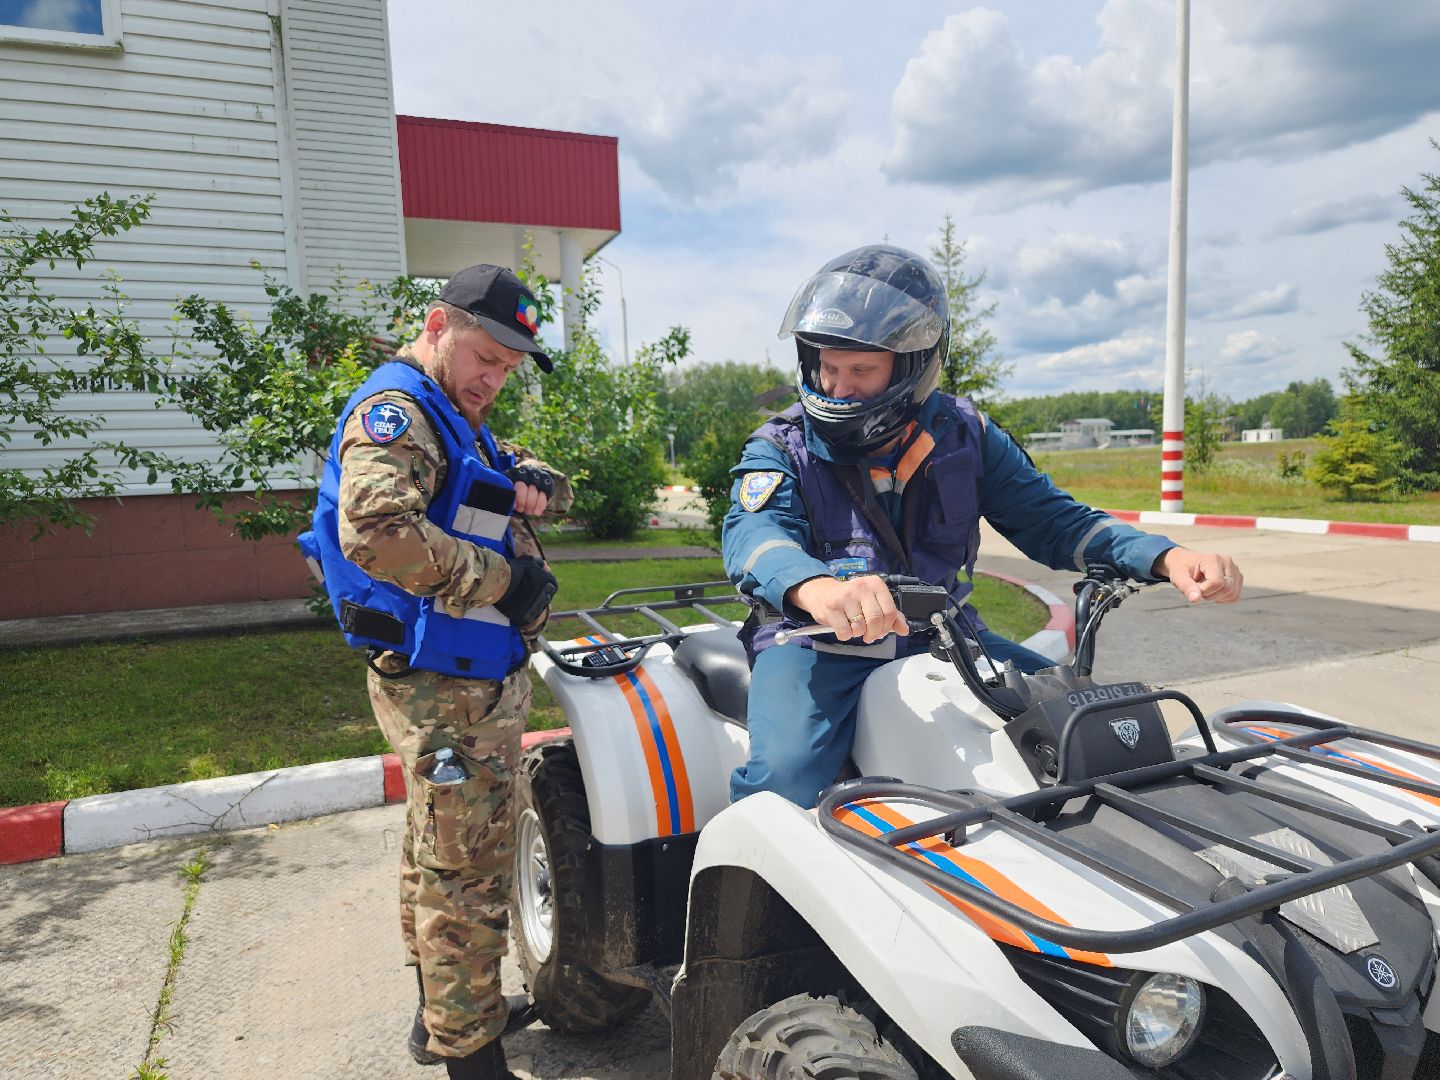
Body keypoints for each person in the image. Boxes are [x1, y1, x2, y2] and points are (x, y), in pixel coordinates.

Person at [721, 244, 1243, 810]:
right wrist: (818, 589)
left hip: (942, 633)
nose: (838, 388)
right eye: (828, 367)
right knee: (785, 780)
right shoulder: (782, 446)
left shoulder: (966, 435)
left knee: (1089, 722)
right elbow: (755, 534)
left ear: (913, 365)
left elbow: (1054, 520)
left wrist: (1165, 557)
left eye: (861, 370)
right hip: (818, 643)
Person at [299, 264, 572, 1080]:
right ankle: (471, 1057)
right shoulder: (398, 414)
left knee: (437, 852)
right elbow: (377, 534)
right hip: (439, 683)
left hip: (462, 673)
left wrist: (536, 485)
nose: (494, 379)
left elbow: (534, 487)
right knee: (466, 874)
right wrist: (506, 582)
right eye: (485, 356)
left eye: (509, 368)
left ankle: (444, 1015)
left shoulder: (455, 414)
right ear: (436, 326)